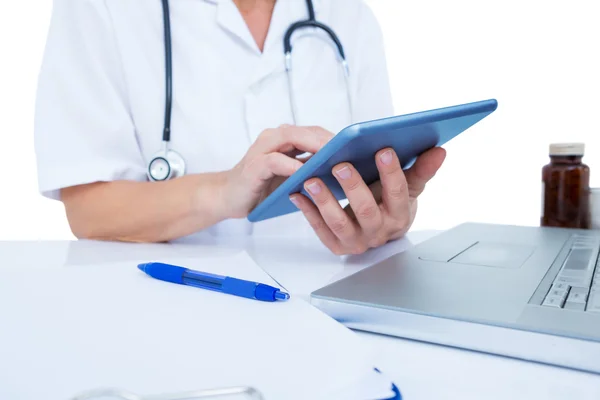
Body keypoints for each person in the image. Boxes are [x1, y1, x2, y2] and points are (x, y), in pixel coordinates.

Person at [33, 0, 446, 255]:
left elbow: (375, 178)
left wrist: (388, 216)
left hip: (332, 302)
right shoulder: (98, 6)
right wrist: (226, 192)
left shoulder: (348, 15)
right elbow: (89, 211)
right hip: (171, 314)